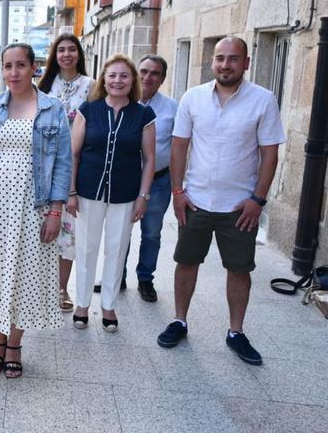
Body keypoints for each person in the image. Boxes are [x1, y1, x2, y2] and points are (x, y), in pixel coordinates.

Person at [157, 36, 285, 366]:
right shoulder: (193, 98)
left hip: (239, 206)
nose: (225, 64)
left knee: (239, 269)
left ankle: (236, 332)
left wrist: (258, 199)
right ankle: (180, 321)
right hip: (196, 200)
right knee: (186, 262)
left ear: (246, 63)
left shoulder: (263, 100)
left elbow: (269, 153)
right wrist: (177, 192)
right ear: (213, 62)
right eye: (219, 58)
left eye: (232, 59)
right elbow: (179, 147)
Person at [0, 43, 71, 379]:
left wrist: (55, 212)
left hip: (33, 205)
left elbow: (63, 162)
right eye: (7, 66)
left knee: (25, 272)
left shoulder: (52, 109)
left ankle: (15, 344)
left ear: (33, 68)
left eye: (20, 65)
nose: (13, 73)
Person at [69, 54, 156, 333]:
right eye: (112, 75)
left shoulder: (144, 115)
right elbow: (74, 153)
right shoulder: (88, 109)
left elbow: (150, 159)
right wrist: (70, 191)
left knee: (116, 250)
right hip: (87, 191)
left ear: (133, 82)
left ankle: (108, 305)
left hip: (125, 194)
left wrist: (143, 197)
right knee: (86, 248)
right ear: (103, 80)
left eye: (124, 76)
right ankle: (82, 304)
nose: (118, 81)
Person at [37, 33, 94, 312]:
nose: (67, 54)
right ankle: (39, 287)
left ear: (79, 54)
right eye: (61, 50)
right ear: (54, 55)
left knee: (67, 232)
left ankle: (61, 289)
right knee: (39, 226)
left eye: (72, 49)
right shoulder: (45, 85)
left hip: (75, 167)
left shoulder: (91, 86)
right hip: (42, 165)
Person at [124, 55, 178, 302]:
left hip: (158, 182)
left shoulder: (172, 108)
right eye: (143, 71)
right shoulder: (122, 102)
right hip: (125, 179)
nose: (147, 77)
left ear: (162, 78)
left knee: (151, 233)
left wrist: (178, 187)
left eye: (154, 73)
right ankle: (117, 277)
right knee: (120, 230)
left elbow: (179, 148)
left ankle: (145, 279)